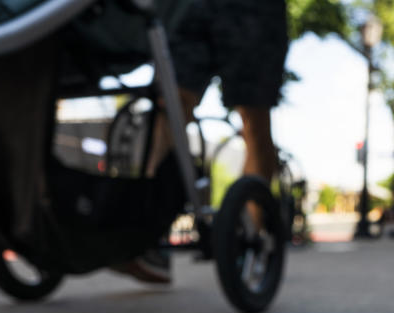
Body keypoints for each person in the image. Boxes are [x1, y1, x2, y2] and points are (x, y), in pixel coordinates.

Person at [117, 0, 289, 284]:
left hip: (253, 9)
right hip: (188, 6)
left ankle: (249, 237)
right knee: (171, 104)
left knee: (254, 115)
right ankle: (147, 236)